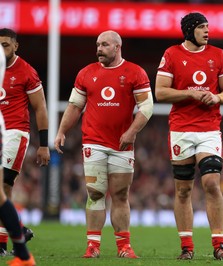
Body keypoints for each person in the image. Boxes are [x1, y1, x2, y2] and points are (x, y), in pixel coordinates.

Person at [54, 30, 153, 259]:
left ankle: (123, 247)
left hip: (122, 145)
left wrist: (131, 132)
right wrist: (61, 131)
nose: (99, 48)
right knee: (95, 192)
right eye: (98, 44)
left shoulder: (134, 72)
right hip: (94, 142)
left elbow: (146, 107)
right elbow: (74, 106)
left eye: (104, 44)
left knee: (120, 194)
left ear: (117, 47)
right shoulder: (86, 73)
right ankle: (93, 246)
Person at [155, 12, 223, 261]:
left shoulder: (218, 54)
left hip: (209, 129)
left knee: (211, 183)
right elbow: (160, 92)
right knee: (183, 190)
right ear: (190, 30)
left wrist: (217, 97)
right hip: (181, 129)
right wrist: (190, 94)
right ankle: (187, 247)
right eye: (202, 27)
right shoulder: (171, 54)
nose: (207, 31)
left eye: (207, 27)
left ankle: (219, 245)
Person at [0, 28, 50, 255]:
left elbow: (40, 107)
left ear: (15, 46)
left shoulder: (26, 72)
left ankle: (1, 244)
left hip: (14, 133)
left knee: (3, 185)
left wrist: (43, 143)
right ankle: (19, 230)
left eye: (6, 45)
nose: (2, 49)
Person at [0, 44, 36, 266]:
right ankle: (21, 246)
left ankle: (20, 250)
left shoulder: (22, 68)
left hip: (10, 128)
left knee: (3, 189)